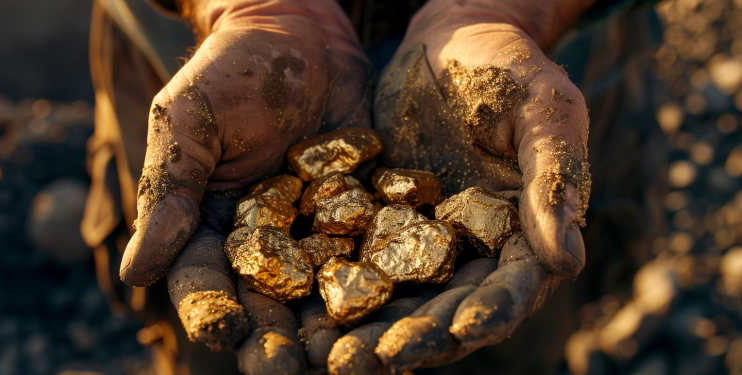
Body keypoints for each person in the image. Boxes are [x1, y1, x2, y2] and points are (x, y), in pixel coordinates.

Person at [82, 0, 660, 374]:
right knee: (215, 336)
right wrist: (256, 7)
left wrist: (495, 8)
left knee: (509, 330)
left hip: (533, 47)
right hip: (210, 53)